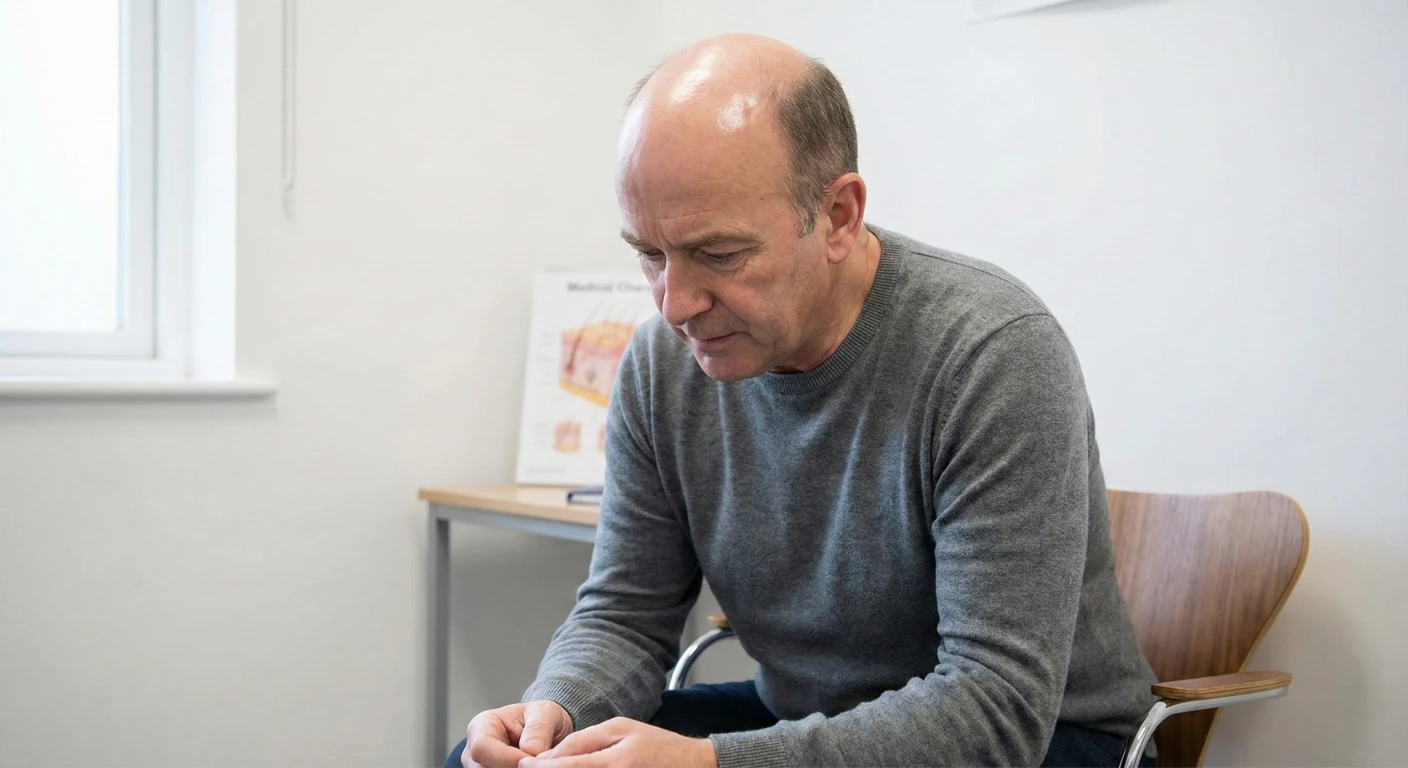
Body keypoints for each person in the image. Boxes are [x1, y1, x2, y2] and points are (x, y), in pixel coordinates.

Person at [450, 33, 1157, 768]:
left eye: (719, 254)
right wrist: (552, 712)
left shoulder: (992, 354)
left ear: (840, 217)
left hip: (1048, 742)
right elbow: (626, 614)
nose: (676, 304)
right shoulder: (663, 366)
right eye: (650, 256)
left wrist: (711, 764)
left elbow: (995, 713)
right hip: (811, 719)